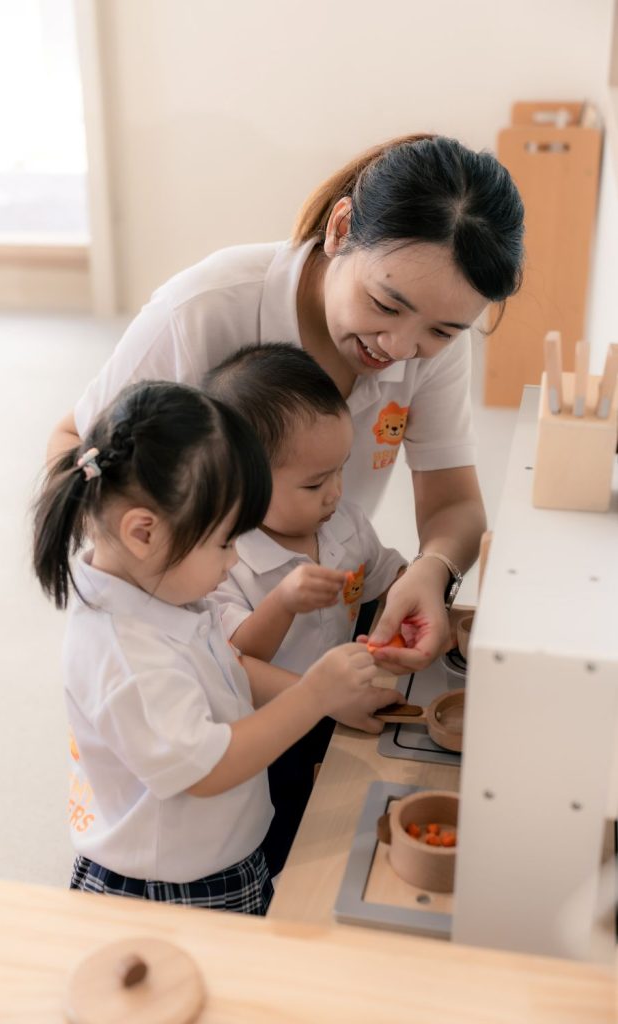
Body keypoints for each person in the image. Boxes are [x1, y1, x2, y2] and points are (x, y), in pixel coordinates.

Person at [47, 133, 524, 680]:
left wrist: (433, 570)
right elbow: (75, 449)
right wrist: (175, 610)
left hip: (314, 632)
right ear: (341, 230)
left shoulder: (431, 343)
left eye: (440, 331)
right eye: (384, 304)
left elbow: (454, 503)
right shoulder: (202, 310)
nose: (398, 349)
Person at [32, 379, 381, 913]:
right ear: (143, 533)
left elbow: (228, 666)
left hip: (213, 852)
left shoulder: (155, 589)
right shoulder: (128, 657)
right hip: (173, 886)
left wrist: (331, 693)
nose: (234, 561)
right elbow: (207, 769)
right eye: (223, 542)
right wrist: (313, 696)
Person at [205, 343, 409, 874]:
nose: (335, 493)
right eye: (315, 483)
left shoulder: (344, 523)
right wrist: (283, 601)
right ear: (239, 483)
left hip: (338, 702)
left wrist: (415, 595)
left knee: (346, 812)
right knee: (283, 833)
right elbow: (234, 663)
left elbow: (386, 580)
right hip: (270, 727)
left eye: (340, 470)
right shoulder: (225, 559)